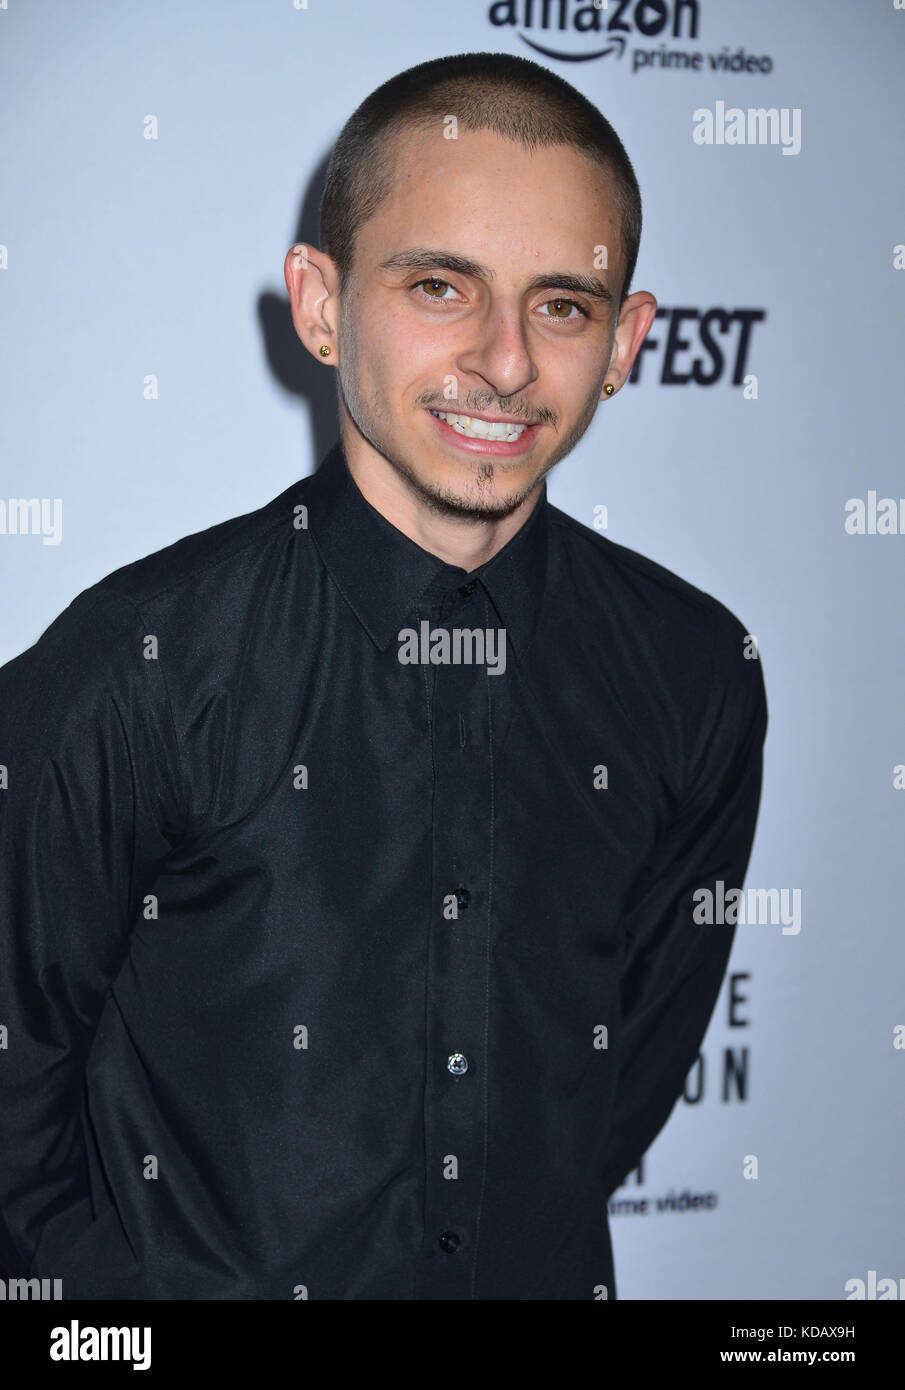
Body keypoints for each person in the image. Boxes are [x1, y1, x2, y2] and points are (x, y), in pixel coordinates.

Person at [0, 51, 767, 1300]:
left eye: (562, 305)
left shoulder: (693, 672)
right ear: (319, 303)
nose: (506, 361)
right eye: (439, 285)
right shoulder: (140, 662)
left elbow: (615, 1076)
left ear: (627, 340)